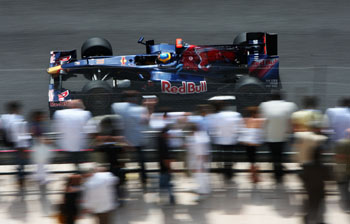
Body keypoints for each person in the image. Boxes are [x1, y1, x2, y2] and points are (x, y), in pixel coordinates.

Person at [112, 90, 150, 187]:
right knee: (141, 163)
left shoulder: (116, 106)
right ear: (135, 99)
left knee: (120, 162)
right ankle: (144, 180)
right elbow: (146, 122)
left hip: (122, 141)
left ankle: (121, 180)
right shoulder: (141, 109)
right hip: (137, 140)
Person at [259, 91, 297, 183]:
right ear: (282, 98)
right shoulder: (290, 105)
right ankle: (279, 170)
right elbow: (290, 121)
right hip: (283, 135)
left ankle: (277, 171)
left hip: (270, 135)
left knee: (274, 154)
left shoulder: (264, 105)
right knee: (280, 153)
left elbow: (263, 121)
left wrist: (262, 134)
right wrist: (290, 131)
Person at [207, 100, 244, 182]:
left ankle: (225, 171)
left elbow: (213, 129)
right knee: (229, 157)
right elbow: (240, 127)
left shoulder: (216, 116)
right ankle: (229, 172)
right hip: (231, 140)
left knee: (223, 157)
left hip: (220, 140)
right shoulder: (235, 115)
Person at [53, 100, 92, 172]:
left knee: (72, 161)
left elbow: (58, 128)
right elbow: (88, 129)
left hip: (66, 144)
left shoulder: (59, 113)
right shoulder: (85, 114)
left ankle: (75, 173)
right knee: (79, 160)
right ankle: (77, 173)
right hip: (80, 144)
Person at [301, 148, 331, 224]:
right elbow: (328, 177)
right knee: (319, 209)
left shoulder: (306, 165)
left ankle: (307, 220)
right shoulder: (323, 167)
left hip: (309, 190)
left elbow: (302, 176)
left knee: (309, 207)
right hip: (320, 191)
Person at [239, 106, 265, 183]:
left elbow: (242, 130)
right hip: (254, 143)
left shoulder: (245, 120)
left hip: (247, 143)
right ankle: (254, 176)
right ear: (255, 113)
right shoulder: (259, 120)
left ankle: (253, 175)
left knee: (251, 160)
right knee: (253, 160)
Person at [186, 123, 211, 200]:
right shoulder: (202, 135)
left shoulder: (197, 138)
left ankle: (202, 193)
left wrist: (197, 164)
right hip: (202, 159)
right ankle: (204, 190)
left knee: (200, 176)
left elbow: (200, 153)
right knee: (202, 176)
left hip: (199, 160)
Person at [30, 110, 53, 185]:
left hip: (38, 147)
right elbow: (38, 137)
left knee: (40, 164)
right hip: (39, 147)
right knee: (41, 164)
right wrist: (47, 141)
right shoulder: (36, 125)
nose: (43, 117)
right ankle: (42, 179)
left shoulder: (36, 124)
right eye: (41, 116)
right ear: (38, 117)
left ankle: (39, 178)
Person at [157, 126, 175, 204]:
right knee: (167, 184)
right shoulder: (164, 144)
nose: (170, 136)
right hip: (165, 168)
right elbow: (165, 158)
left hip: (162, 167)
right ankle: (171, 198)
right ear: (165, 134)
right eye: (169, 134)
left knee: (163, 185)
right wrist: (169, 168)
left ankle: (162, 198)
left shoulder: (160, 141)